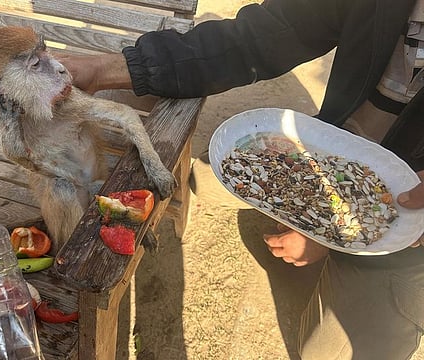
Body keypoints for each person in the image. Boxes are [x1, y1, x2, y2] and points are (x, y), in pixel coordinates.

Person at [41, 0, 424, 359]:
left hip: (413, 217)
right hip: (337, 146)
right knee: (209, 181)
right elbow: (265, 34)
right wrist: (110, 69)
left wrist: (329, 232)